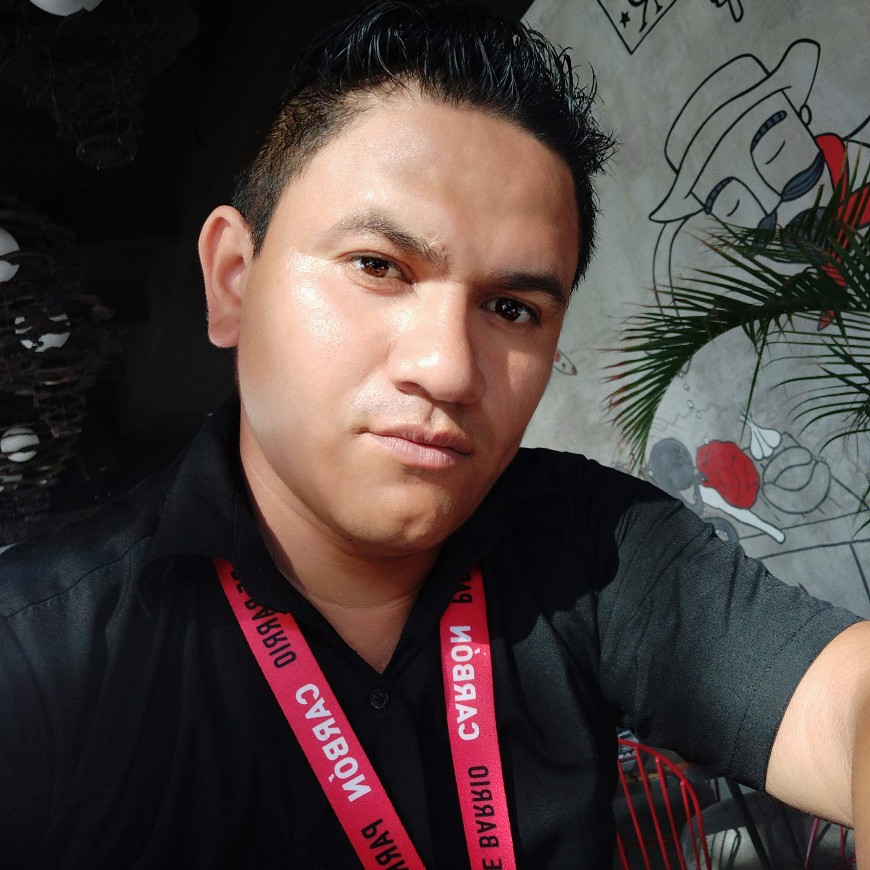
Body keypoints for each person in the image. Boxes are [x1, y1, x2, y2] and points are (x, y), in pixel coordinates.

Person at [1, 1, 867, 867]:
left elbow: (846, 706)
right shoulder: (37, 652)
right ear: (233, 279)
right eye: (378, 266)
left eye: (511, 309)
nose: (450, 368)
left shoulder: (597, 549)